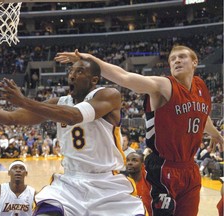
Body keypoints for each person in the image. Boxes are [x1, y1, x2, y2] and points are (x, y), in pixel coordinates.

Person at [0, 58, 146, 215]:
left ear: (94, 80)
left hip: (106, 183)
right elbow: (12, 118)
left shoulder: (109, 95)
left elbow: (73, 116)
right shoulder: (59, 101)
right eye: (71, 71)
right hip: (70, 182)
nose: (72, 75)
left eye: (80, 71)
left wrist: (24, 101)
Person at [55, 45, 224, 216]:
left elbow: (202, 114)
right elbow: (124, 76)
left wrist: (215, 134)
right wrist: (90, 59)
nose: (176, 61)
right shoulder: (164, 85)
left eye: (182, 57)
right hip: (163, 168)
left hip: (190, 168)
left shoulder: (201, 87)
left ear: (195, 62)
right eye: (172, 59)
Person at [123, 152, 152, 216]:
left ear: (142, 164)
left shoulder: (150, 180)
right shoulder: (122, 182)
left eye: (134, 160)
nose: (129, 163)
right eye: (127, 160)